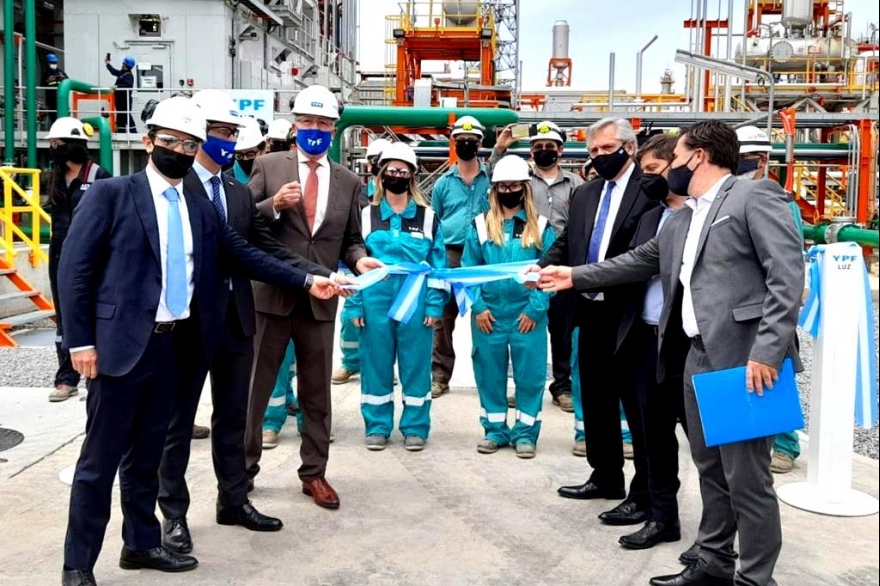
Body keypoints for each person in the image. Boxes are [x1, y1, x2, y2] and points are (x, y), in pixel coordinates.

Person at [57, 96, 337, 586]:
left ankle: (141, 543)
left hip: (174, 347)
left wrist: (307, 280)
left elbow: (244, 253)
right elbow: (73, 271)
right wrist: (79, 342)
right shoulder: (112, 195)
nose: (180, 151)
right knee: (100, 461)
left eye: (189, 144)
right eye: (170, 142)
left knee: (148, 455)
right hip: (121, 349)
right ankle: (78, 564)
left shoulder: (198, 205)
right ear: (148, 142)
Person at [537, 120, 803, 586]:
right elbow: (639, 260)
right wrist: (574, 276)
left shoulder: (752, 196)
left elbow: (786, 277)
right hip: (697, 357)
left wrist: (767, 352)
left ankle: (756, 578)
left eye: (676, 159)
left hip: (746, 363)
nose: (668, 170)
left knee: (748, 480)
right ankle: (714, 563)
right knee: (711, 469)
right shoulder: (683, 216)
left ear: (698, 156)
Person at [155, 90, 335, 556]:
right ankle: (173, 514)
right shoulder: (175, 185)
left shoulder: (235, 192)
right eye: (218, 132)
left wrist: (311, 277)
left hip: (236, 319)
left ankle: (233, 499)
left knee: (233, 416)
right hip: (187, 322)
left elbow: (261, 249)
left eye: (232, 133)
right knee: (178, 424)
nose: (226, 141)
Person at [246, 84, 382, 509]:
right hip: (271, 297)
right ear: (295, 124)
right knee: (255, 389)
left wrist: (359, 261)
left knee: (316, 393)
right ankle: (242, 471)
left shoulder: (348, 180)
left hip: (321, 300)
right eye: (309, 122)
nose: (316, 130)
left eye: (324, 123)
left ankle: (314, 473)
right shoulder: (268, 166)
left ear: (334, 128)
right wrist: (271, 204)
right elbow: (241, 225)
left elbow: (351, 240)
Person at [538, 118, 658, 528]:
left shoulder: (651, 190)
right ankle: (605, 476)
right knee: (598, 400)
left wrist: (575, 275)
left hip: (632, 316)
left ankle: (644, 493)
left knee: (639, 409)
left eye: (608, 149)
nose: (601, 157)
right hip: (589, 311)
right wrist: (541, 268)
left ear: (630, 145)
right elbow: (567, 241)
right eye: (593, 152)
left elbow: (643, 257)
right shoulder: (587, 193)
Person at [612, 133, 691, 551]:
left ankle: (719, 536)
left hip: (684, 344)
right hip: (643, 336)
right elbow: (630, 265)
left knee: (703, 443)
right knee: (649, 431)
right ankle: (657, 511)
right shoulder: (651, 216)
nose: (647, 181)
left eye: (653, 171)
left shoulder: (701, 218)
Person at [347, 143, 447, 451]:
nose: (396, 175)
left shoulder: (428, 218)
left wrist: (434, 303)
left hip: (415, 297)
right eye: (391, 170)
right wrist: (354, 302)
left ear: (413, 176)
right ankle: (377, 425)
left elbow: (439, 264)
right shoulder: (365, 216)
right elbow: (350, 260)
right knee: (375, 362)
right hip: (374, 296)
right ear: (380, 175)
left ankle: (415, 426)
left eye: (402, 171)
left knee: (416, 363)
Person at [463, 154, 555, 459]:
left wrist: (535, 308)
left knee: (530, 376)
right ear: (494, 189)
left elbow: (551, 271)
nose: (508, 191)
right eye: (503, 186)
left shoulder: (540, 226)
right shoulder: (479, 226)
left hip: (526, 314)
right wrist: (477, 308)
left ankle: (526, 433)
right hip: (489, 314)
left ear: (525, 189)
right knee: (489, 373)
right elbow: (468, 270)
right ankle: (494, 430)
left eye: (515, 185)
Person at [492, 121, 583, 413]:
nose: (544, 151)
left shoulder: (575, 184)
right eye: (538, 147)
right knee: (525, 331)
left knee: (561, 328)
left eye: (550, 147)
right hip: (527, 260)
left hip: (562, 266)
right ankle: (525, 388)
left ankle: (562, 386)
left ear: (560, 150)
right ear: (531, 151)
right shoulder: (522, 179)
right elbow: (494, 180)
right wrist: (499, 148)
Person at [735, 124, 803, 475]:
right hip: (740, 308)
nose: (740, 167)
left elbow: (786, 267)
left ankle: (786, 443)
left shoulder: (780, 203)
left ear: (762, 161)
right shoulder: (729, 198)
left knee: (777, 367)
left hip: (769, 305)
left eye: (745, 159)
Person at [43, 117, 111, 403]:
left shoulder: (99, 177)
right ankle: (66, 378)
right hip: (59, 254)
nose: (54, 149)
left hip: (93, 257)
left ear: (75, 146)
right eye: (53, 144)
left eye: (58, 144)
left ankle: (93, 379)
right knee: (65, 316)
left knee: (94, 315)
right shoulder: (55, 178)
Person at [430, 115, 491, 399]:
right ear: (454, 143)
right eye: (461, 141)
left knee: (488, 314)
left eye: (472, 141)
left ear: (480, 143)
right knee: (443, 318)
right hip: (451, 254)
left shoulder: (491, 179)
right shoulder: (443, 184)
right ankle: (440, 376)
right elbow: (437, 219)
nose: (467, 144)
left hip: (484, 256)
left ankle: (490, 378)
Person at [332, 136, 394, 385]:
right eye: (375, 161)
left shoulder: (398, 197)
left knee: (387, 323)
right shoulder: (358, 193)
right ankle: (350, 362)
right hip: (360, 267)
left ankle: (384, 366)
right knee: (351, 317)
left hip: (388, 271)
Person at [105, 55, 137, 133]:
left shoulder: (128, 75)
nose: (122, 65)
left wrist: (118, 86)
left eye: (123, 64)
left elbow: (128, 85)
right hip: (120, 99)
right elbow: (114, 72)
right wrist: (108, 64)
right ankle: (121, 130)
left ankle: (133, 132)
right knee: (120, 115)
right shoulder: (123, 73)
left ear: (126, 66)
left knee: (126, 115)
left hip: (125, 100)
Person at [231, 116, 266, 183]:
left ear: (262, 149)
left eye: (250, 154)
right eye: (239, 155)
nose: (245, 159)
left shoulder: (272, 176)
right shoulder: (226, 180)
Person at [41, 53, 68, 124]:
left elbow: (68, 81)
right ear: (47, 63)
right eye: (52, 62)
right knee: (53, 117)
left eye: (55, 62)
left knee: (65, 114)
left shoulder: (60, 72)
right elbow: (42, 85)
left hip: (61, 98)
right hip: (51, 99)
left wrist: (63, 78)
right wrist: (48, 80)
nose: (54, 64)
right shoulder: (46, 74)